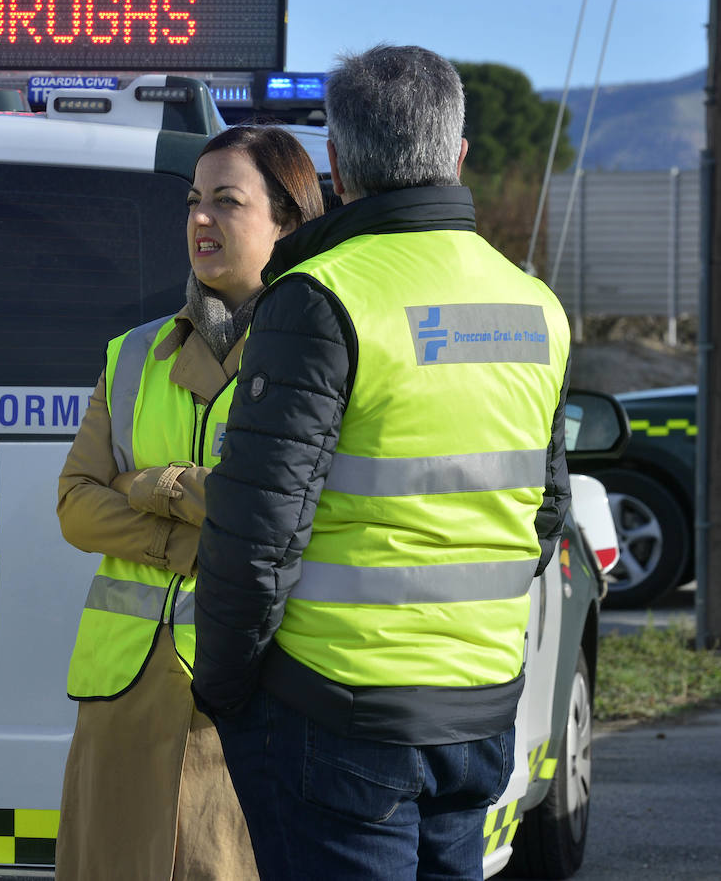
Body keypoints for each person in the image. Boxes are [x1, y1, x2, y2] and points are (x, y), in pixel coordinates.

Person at [193, 45, 572, 880]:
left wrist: (222, 687)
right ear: (459, 153)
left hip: (338, 710)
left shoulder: (320, 295)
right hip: (478, 708)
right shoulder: (536, 305)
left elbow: (257, 531)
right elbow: (546, 512)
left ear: (334, 162)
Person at [54, 124, 325, 880]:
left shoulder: (318, 350)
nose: (200, 220)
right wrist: (197, 535)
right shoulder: (135, 351)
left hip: (246, 687)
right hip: (124, 690)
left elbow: (289, 508)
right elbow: (77, 504)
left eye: (227, 202)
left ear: (288, 221)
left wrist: (155, 486)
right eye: (193, 201)